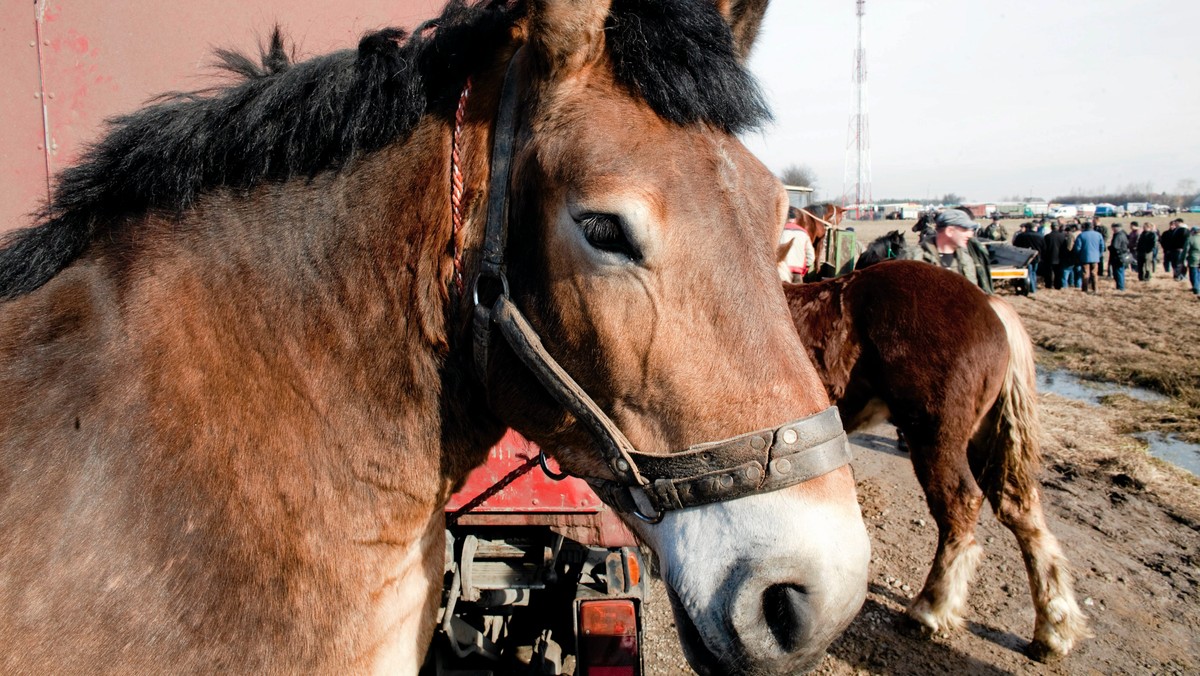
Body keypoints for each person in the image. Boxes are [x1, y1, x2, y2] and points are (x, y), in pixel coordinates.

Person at [900, 209, 993, 293]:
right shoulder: (913, 257)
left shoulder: (966, 260)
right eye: (965, 229)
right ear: (949, 231)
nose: (970, 234)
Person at [781, 207, 816, 282]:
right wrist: (804, 270)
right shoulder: (804, 233)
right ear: (796, 219)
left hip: (782, 273)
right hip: (798, 272)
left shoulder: (780, 232)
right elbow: (811, 257)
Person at [1012, 222, 1045, 295]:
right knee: (1033, 272)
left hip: (1024, 258)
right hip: (1037, 257)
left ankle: (1031, 288)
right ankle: (1034, 288)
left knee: (1028, 273)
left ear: (1027, 228)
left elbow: (1015, 246)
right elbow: (1044, 247)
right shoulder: (1040, 236)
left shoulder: (1021, 236)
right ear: (1035, 228)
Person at [1072, 221, 1105, 293]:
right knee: (1094, 273)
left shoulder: (1081, 235)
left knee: (1085, 273)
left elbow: (1077, 248)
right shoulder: (1098, 235)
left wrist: (1079, 255)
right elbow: (1102, 246)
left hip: (1084, 257)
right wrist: (1099, 254)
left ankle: (1085, 289)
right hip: (1095, 257)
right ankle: (1095, 289)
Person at [1108, 223, 1130, 291]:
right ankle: (1120, 286)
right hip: (1123, 256)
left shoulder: (1118, 235)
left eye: (1113, 228)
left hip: (1118, 256)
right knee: (1120, 272)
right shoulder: (1123, 234)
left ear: (1116, 228)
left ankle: (1120, 287)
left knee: (1118, 272)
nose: (1112, 230)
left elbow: (1115, 246)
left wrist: (1109, 248)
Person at [1184, 225, 1200, 295]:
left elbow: (1185, 250)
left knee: (1193, 273)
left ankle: (1196, 288)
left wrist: (1182, 259)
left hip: (1193, 259)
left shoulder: (1190, 239)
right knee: (1198, 274)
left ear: (1193, 232)